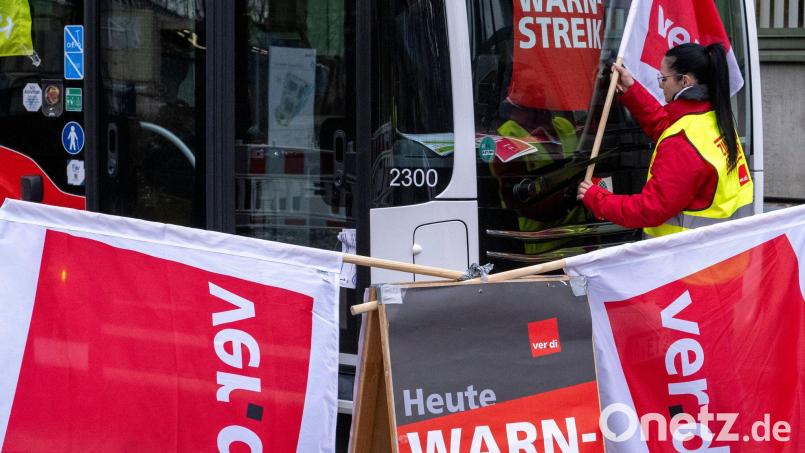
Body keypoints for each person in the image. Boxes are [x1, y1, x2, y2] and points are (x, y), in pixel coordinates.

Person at [577, 43, 754, 238]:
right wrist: (632, 90)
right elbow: (666, 125)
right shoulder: (715, 118)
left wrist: (598, 199)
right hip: (723, 254)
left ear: (684, 81)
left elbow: (650, 208)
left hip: (683, 260)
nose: (660, 85)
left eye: (663, 79)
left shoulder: (682, 141)